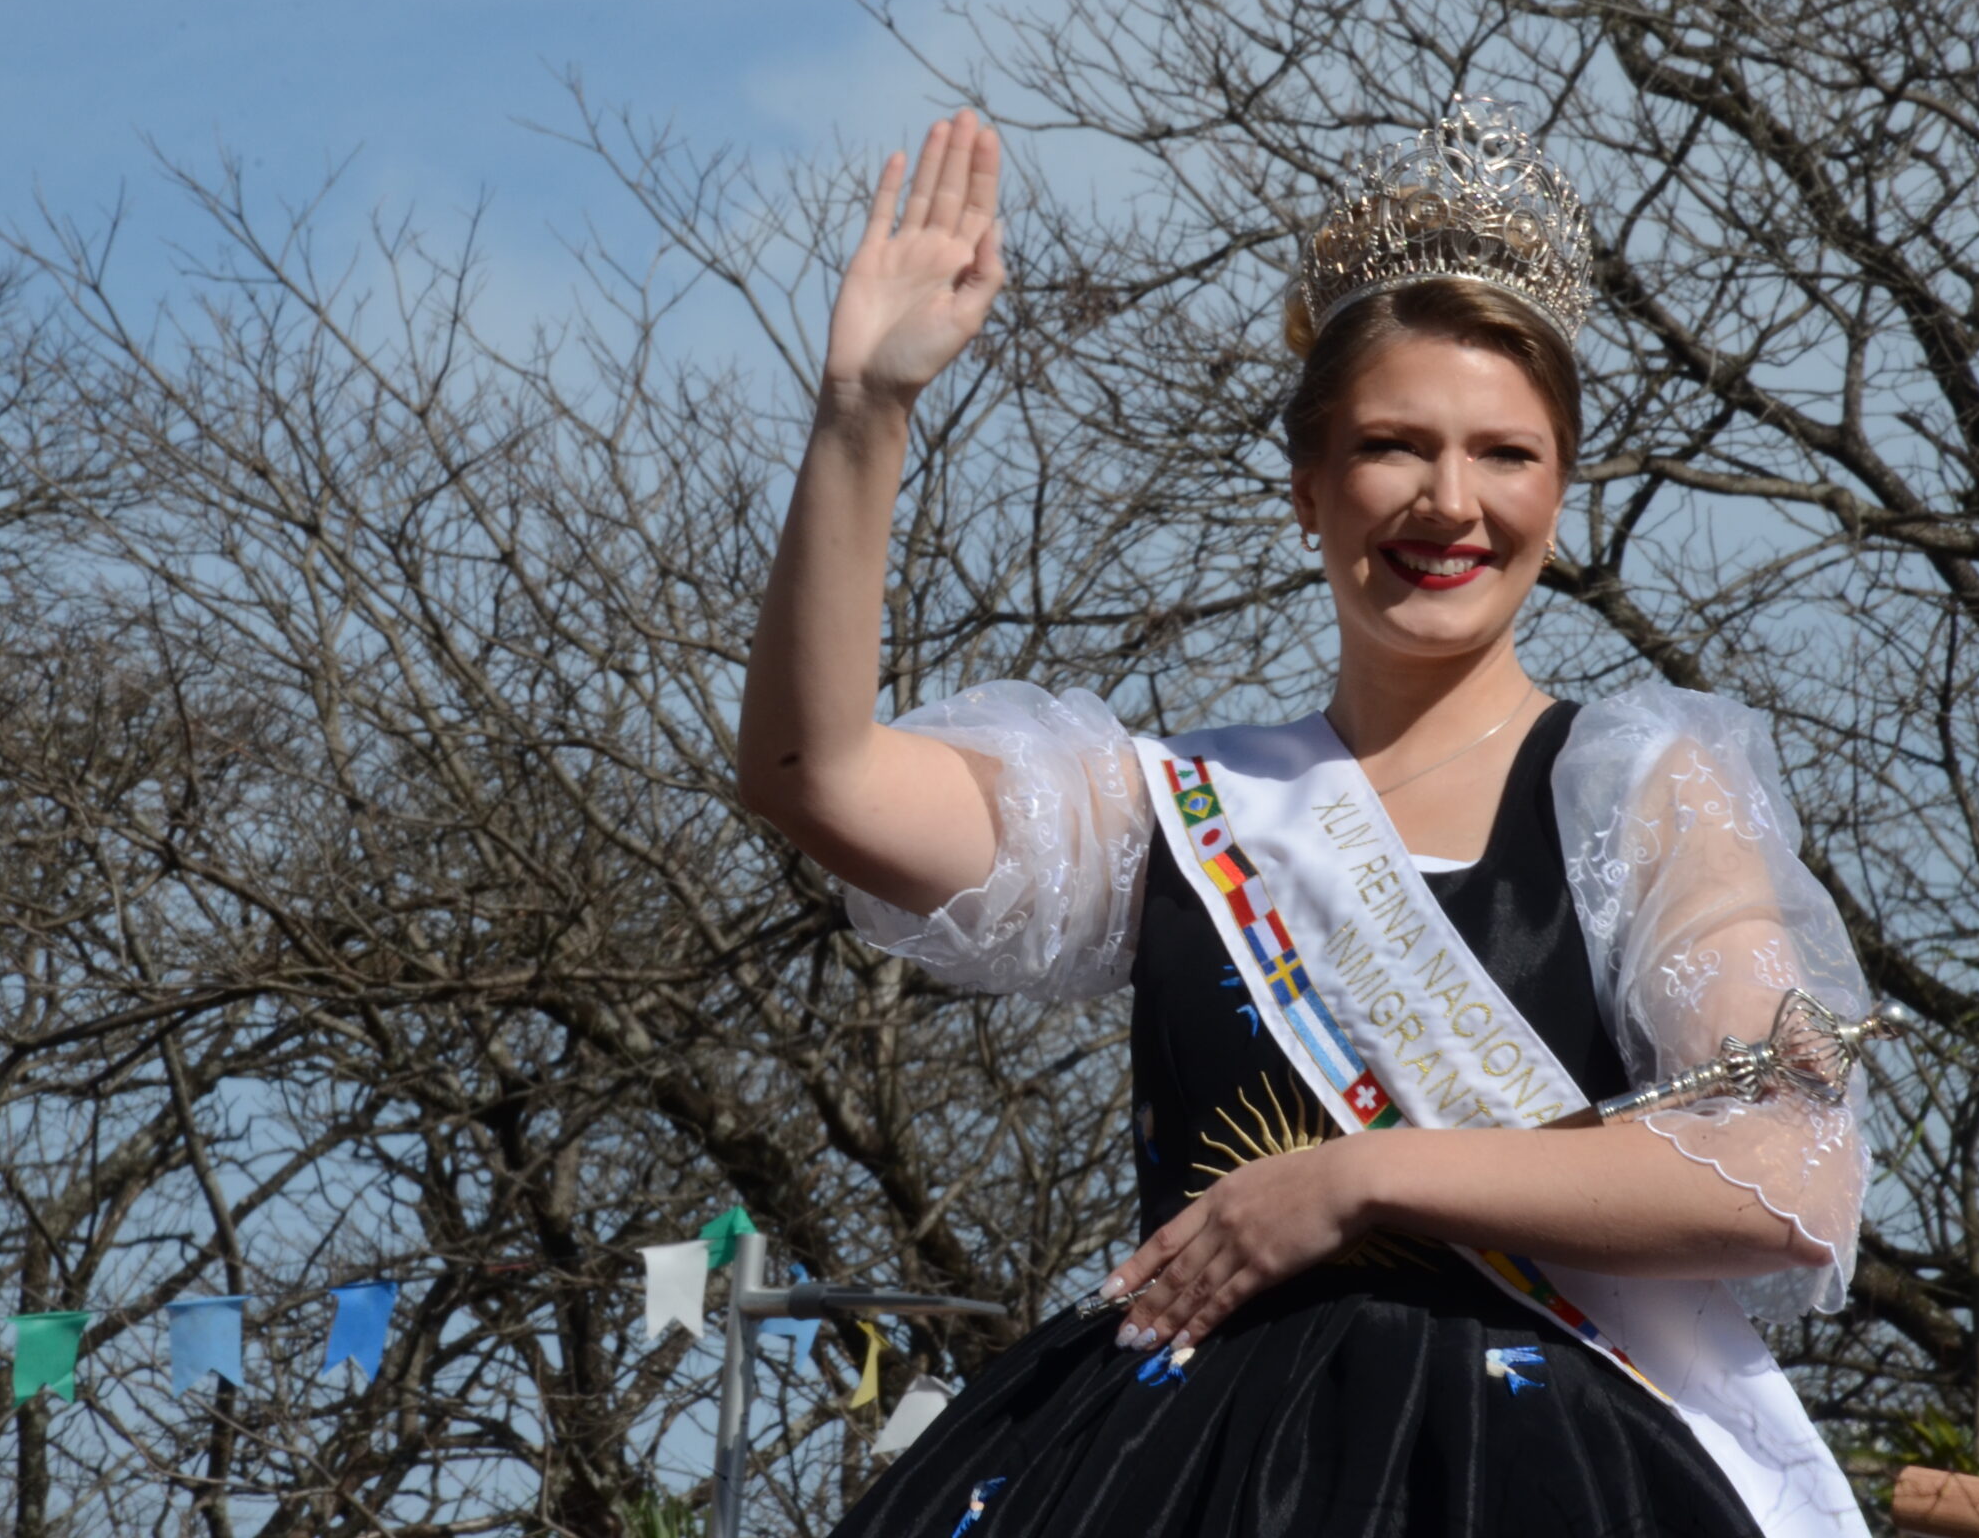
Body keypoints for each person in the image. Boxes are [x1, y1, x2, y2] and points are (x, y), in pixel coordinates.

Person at [736, 100, 1874, 1538]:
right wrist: (863, 414)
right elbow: (809, 774)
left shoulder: (1644, 793)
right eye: (1394, 445)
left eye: (1506, 456)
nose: (1450, 502)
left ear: (1561, 492)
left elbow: (1786, 1175)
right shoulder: (1179, 812)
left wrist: (1357, 1180)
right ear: (1309, 489)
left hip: (1539, 1477)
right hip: (1174, 1472)